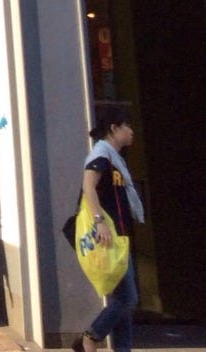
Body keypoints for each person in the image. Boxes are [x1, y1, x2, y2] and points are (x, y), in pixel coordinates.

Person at [72, 103, 144, 352]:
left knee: (121, 301)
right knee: (128, 298)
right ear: (114, 129)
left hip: (119, 237)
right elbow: (88, 186)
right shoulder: (101, 156)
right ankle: (91, 337)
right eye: (127, 126)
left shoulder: (115, 159)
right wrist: (99, 222)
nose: (131, 131)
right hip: (109, 237)